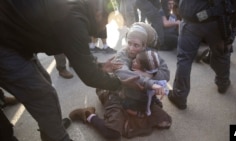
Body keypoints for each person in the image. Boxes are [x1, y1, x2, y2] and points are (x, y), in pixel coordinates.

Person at [0, 0, 140, 141]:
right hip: (5, 43)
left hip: (17, 39)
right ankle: (58, 137)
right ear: (98, 14)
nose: (104, 28)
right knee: (43, 95)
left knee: (44, 80)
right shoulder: (74, 21)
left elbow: (78, 53)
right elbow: (89, 76)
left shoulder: (79, 11)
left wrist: (99, 66)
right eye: (106, 23)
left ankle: (52, 129)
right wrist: (121, 83)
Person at [69, 22, 172, 141]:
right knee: (112, 134)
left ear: (144, 46)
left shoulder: (151, 54)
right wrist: (149, 81)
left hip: (140, 98)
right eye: (129, 43)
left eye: (136, 45)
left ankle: (133, 113)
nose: (131, 48)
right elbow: (123, 73)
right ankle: (88, 114)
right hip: (117, 93)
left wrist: (146, 74)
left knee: (166, 122)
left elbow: (165, 74)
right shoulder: (122, 54)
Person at [168, 0, 236, 110]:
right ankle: (223, 83)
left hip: (192, 17)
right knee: (221, 55)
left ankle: (179, 96)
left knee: (184, 59)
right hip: (217, 20)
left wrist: (178, 9)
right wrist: (234, 25)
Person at [120, 50, 169, 117]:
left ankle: (137, 114)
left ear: (144, 68)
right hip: (148, 101)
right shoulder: (152, 75)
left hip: (136, 102)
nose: (133, 60)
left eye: (136, 61)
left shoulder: (135, 74)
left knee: (124, 105)